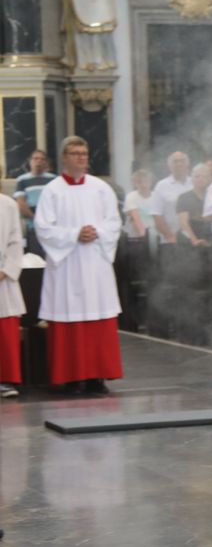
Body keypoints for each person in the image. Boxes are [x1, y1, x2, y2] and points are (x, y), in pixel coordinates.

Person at [34, 136, 123, 395]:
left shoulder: (101, 188)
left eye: (84, 153)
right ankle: (71, 377)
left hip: (95, 262)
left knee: (99, 316)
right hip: (67, 265)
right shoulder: (52, 190)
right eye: (75, 153)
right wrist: (74, 234)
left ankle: (97, 377)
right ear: (64, 158)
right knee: (68, 317)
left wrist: (96, 232)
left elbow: (114, 222)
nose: (81, 158)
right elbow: (43, 228)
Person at [0, 191, 24, 398]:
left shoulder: (7, 205)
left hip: (1, 278)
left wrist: (6, 269)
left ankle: (5, 379)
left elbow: (15, 241)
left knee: (4, 331)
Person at [14, 149, 55, 256]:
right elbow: (21, 203)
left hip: (51, 226)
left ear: (46, 163)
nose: (39, 162)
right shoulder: (22, 180)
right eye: (36, 159)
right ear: (30, 161)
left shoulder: (53, 179)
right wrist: (37, 219)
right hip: (33, 227)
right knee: (36, 260)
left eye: (42, 159)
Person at [149, 151, 192, 244]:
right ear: (169, 166)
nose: (179, 164)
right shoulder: (161, 186)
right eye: (175, 161)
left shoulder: (194, 183)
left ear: (187, 164)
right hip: (170, 241)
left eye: (182, 161)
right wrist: (170, 236)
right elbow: (156, 215)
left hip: (194, 240)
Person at [176, 164, 212, 245]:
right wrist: (195, 241)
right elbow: (183, 223)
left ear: (209, 179)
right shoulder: (184, 198)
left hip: (211, 241)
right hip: (190, 242)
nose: (200, 179)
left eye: (204, 176)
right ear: (192, 179)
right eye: (197, 176)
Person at [122, 169, 154, 239]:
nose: (143, 185)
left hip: (153, 236)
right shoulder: (131, 196)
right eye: (140, 182)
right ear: (135, 183)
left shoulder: (156, 196)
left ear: (150, 182)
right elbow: (135, 218)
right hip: (135, 238)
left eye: (146, 181)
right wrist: (144, 237)